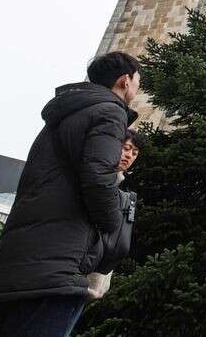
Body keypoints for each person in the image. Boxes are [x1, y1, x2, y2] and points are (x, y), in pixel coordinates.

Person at [0, 52, 141, 337]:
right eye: (139, 83)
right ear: (124, 81)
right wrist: (112, 228)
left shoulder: (64, 115)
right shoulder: (110, 111)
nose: (138, 91)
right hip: (57, 266)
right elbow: (99, 177)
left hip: (18, 262)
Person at [85, 129, 144, 301]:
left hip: (93, 287)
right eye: (126, 148)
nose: (129, 156)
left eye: (134, 153)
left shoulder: (120, 192)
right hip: (73, 279)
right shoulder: (94, 180)